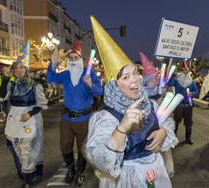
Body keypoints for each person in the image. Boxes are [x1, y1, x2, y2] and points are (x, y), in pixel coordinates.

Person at [86, 16, 178, 188]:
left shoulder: (150, 104)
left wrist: (164, 132)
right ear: (114, 86)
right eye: (126, 77)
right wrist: (122, 128)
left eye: (135, 73)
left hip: (156, 172)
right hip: (125, 179)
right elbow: (99, 159)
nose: (135, 80)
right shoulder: (105, 117)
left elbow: (167, 122)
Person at [0, 41, 48, 188]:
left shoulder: (36, 85)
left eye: (21, 68)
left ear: (27, 69)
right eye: (16, 68)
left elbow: (42, 104)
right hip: (13, 119)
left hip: (30, 119)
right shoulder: (11, 84)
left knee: (27, 149)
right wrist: (5, 79)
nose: (18, 70)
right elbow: (0, 96)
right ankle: (24, 173)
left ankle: (27, 179)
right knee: (16, 147)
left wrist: (30, 113)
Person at [46, 41, 103, 186]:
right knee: (65, 145)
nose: (72, 60)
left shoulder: (89, 74)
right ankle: (71, 168)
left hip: (84, 119)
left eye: (75, 58)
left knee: (82, 149)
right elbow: (50, 79)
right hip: (67, 119)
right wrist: (53, 64)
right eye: (70, 58)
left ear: (81, 60)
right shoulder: (65, 75)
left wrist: (90, 83)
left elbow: (99, 91)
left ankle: (80, 172)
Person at [167, 61, 199, 144]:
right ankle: (173, 138)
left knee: (188, 123)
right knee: (176, 122)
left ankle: (188, 139)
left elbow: (196, 92)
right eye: (184, 69)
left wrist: (192, 94)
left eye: (187, 69)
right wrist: (172, 74)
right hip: (178, 104)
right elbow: (169, 83)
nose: (185, 70)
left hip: (188, 105)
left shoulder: (192, 82)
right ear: (181, 70)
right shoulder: (176, 80)